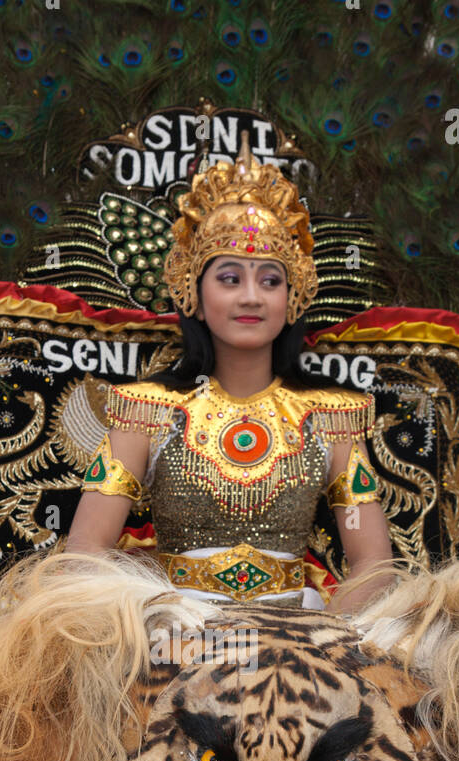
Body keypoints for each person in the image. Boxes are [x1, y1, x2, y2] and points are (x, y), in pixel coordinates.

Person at [65, 130, 393, 614]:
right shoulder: (147, 412)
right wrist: (148, 630)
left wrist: (329, 642)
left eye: (270, 280)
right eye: (230, 278)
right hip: (175, 637)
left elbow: (371, 562)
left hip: (299, 642)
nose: (251, 297)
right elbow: (86, 556)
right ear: (194, 292)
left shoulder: (331, 418)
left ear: (293, 297)